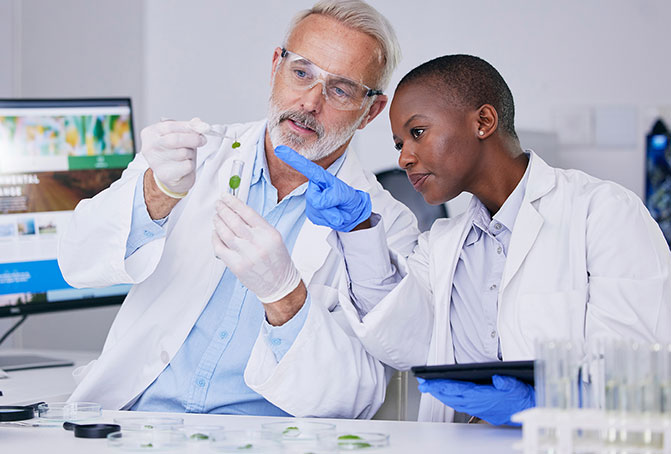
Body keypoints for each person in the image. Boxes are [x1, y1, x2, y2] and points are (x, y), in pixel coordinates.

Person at [57, 0, 419, 418]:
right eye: (301, 73)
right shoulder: (192, 155)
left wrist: (286, 298)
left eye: (339, 89)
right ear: (274, 67)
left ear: (370, 111)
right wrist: (155, 192)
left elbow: (355, 397)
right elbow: (76, 261)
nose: (310, 102)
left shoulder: (381, 226)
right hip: (140, 423)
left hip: (265, 441)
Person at [276, 54, 671, 423]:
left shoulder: (603, 212)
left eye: (417, 132)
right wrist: (360, 231)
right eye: (400, 144)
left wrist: (542, 406)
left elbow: (637, 373)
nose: (404, 158)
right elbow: (403, 339)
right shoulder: (443, 244)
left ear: (483, 121)